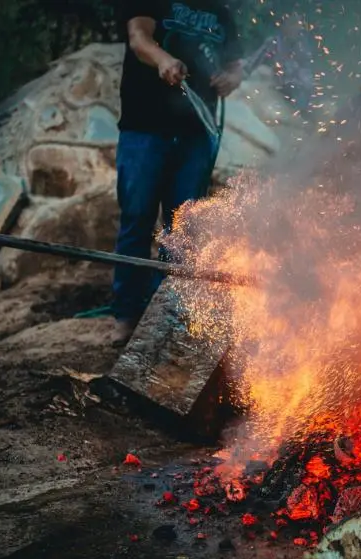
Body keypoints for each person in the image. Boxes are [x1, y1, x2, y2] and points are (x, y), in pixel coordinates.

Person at [112, 0, 244, 346]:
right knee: (136, 219)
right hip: (144, 129)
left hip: (196, 136)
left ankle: (163, 317)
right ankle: (126, 316)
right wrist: (163, 60)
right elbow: (139, 38)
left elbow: (236, 64)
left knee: (183, 228)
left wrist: (231, 77)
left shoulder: (222, 12)